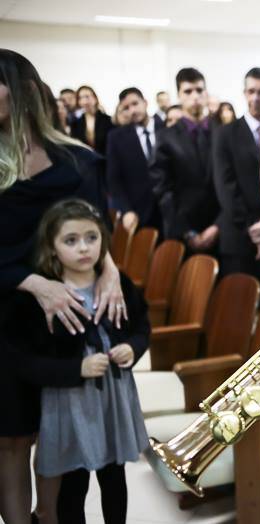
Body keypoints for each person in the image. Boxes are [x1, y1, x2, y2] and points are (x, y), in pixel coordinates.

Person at [0, 49, 126, 524]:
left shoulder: (76, 160)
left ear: (23, 89)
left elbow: (95, 228)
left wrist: (110, 266)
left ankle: (47, 517)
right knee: (12, 439)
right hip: (7, 316)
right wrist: (34, 282)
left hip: (63, 317)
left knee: (57, 434)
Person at [3, 199, 149, 524]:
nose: (84, 248)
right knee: (73, 486)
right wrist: (75, 369)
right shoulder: (38, 299)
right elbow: (24, 361)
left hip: (113, 399)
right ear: (52, 248)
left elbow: (142, 326)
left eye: (91, 238)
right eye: (71, 241)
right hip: (69, 404)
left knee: (114, 478)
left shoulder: (117, 283)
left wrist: (132, 348)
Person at [213, 67, 260, 277]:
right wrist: (253, 227)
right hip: (238, 236)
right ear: (244, 94)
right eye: (251, 91)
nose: (256, 97)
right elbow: (225, 187)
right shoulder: (225, 134)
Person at [151, 67, 220, 253]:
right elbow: (162, 189)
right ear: (179, 96)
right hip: (182, 231)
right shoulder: (166, 137)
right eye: (188, 91)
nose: (195, 96)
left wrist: (218, 226)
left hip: (220, 229)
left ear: (206, 93)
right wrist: (187, 232)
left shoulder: (222, 132)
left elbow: (231, 183)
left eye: (199, 90)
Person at [106, 87, 162, 232]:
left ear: (145, 102)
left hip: (173, 211)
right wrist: (126, 210)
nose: (132, 110)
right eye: (126, 108)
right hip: (140, 214)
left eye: (135, 104)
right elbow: (114, 180)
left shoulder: (167, 128)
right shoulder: (116, 138)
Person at [70, 85, 115, 155]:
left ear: (95, 98)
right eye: (80, 98)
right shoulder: (75, 124)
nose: (84, 101)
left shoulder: (108, 120)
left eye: (87, 97)